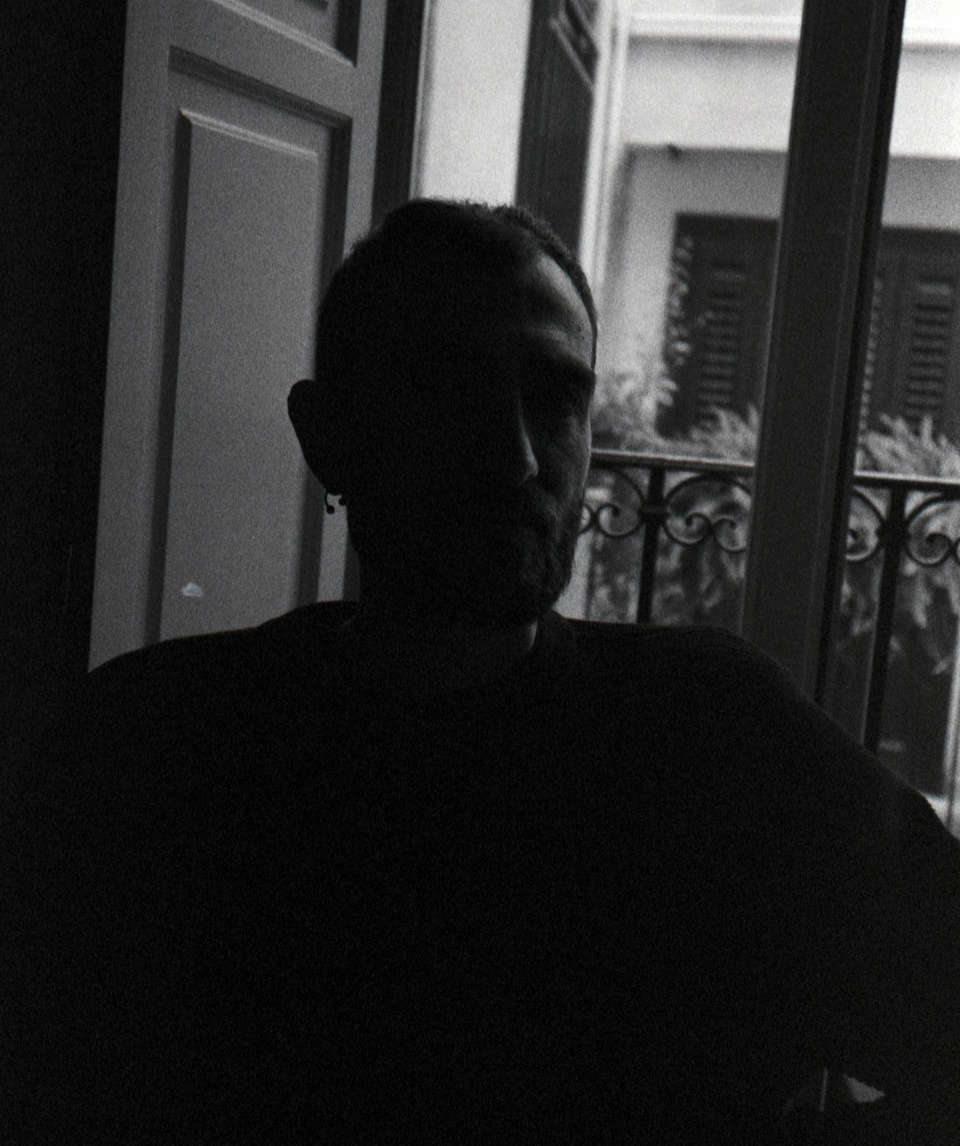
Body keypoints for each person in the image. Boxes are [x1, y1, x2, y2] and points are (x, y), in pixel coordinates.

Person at [3, 198, 960, 1144]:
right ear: (326, 435)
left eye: (556, 398)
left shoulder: (725, 747)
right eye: (445, 391)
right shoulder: (147, 756)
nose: (516, 459)